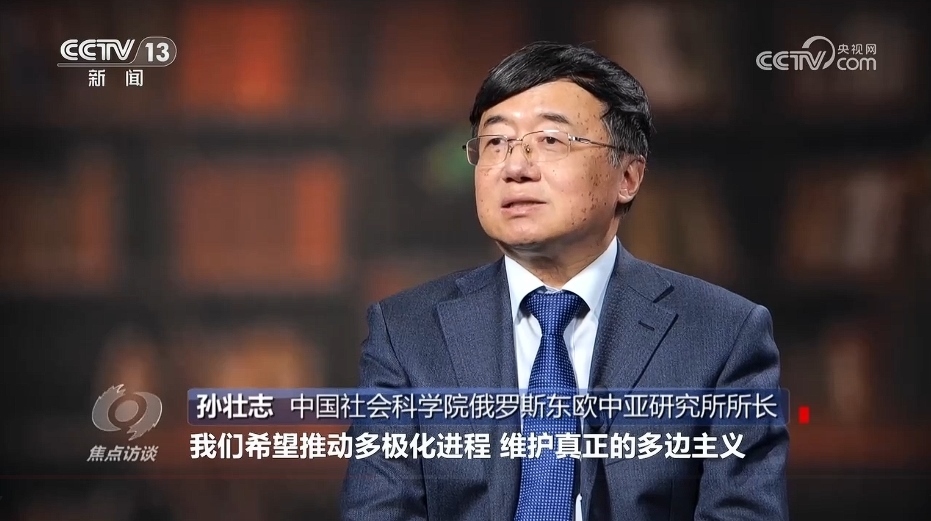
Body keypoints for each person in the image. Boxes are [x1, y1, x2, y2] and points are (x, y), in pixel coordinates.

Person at [341, 41, 788, 521]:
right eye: (495, 143)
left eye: (551, 140)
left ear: (628, 176)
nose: (515, 168)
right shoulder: (406, 333)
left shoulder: (723, 334)